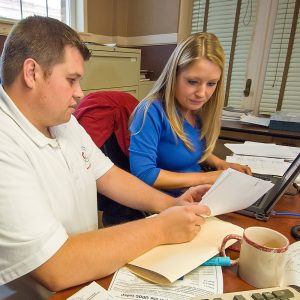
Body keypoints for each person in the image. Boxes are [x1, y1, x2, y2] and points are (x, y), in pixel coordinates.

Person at [0, 16, 212, 299]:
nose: (80, 93)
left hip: (85, 277)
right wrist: (161, 228)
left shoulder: (60, 119)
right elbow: (55, 267)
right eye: (72, 80)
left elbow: (107, 174)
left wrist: (171, 204)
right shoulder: (6, 142)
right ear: (32, 73)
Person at [129, 32, 251, 196]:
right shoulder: (150, 112)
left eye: (211, 84)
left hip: (201, 194)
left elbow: (190, 149)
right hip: (169, 202)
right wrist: (207, 178)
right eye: (193, 82)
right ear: (174, 75)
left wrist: (220, 164)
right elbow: (144, 175)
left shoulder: (197, 111)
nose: (202, 93)